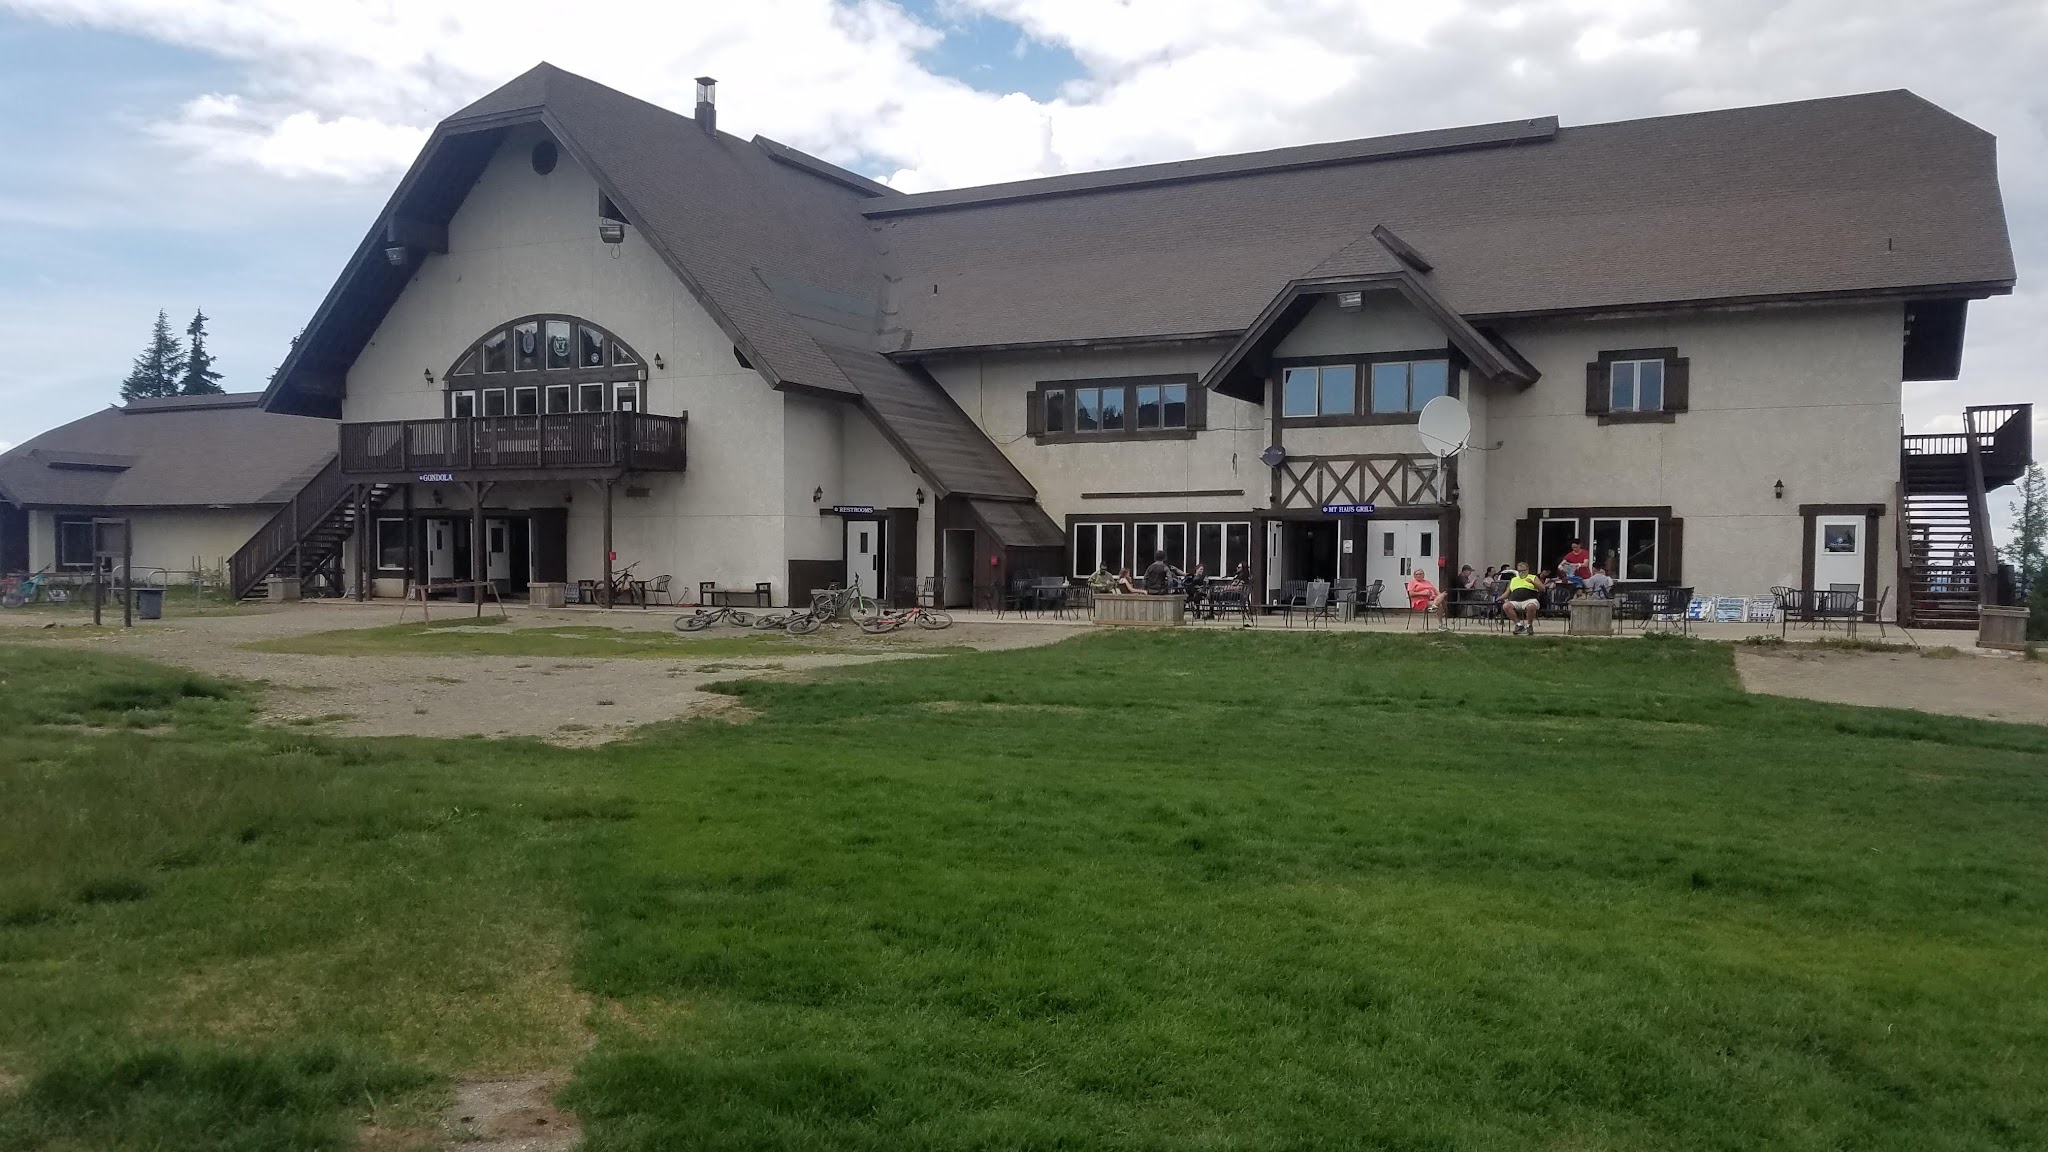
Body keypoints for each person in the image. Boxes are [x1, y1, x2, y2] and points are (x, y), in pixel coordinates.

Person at [1500, 562, 1545, 634]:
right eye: (1519, 571)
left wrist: (1533, 583)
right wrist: (1499, 598)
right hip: (1516, 600)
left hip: (1530, 599)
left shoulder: (1533, 577)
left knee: (1531, 606)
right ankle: (1518, 625)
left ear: (1527, 570)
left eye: (1523, 571)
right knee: (1506, 606)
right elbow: (1507, 592)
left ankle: (1529, 625)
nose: (1521, 573)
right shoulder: (1514, 579)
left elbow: (1542, 589)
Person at [1406, 563, 1448, 629]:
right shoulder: (1412, 583)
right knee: (1439, 605)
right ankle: (1441, 624)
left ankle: (1434, 606)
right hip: (1420, 601)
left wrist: (1441, 595)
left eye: (1420, 574)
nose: (1418, 575)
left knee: (1442, 595)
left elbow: (1435, 590)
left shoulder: (1427, 582)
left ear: (1423, 575)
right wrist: (1423, 593)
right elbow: (1411, 594)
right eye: (1417, 574)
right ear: (1414, 576)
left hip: (1431, 600)